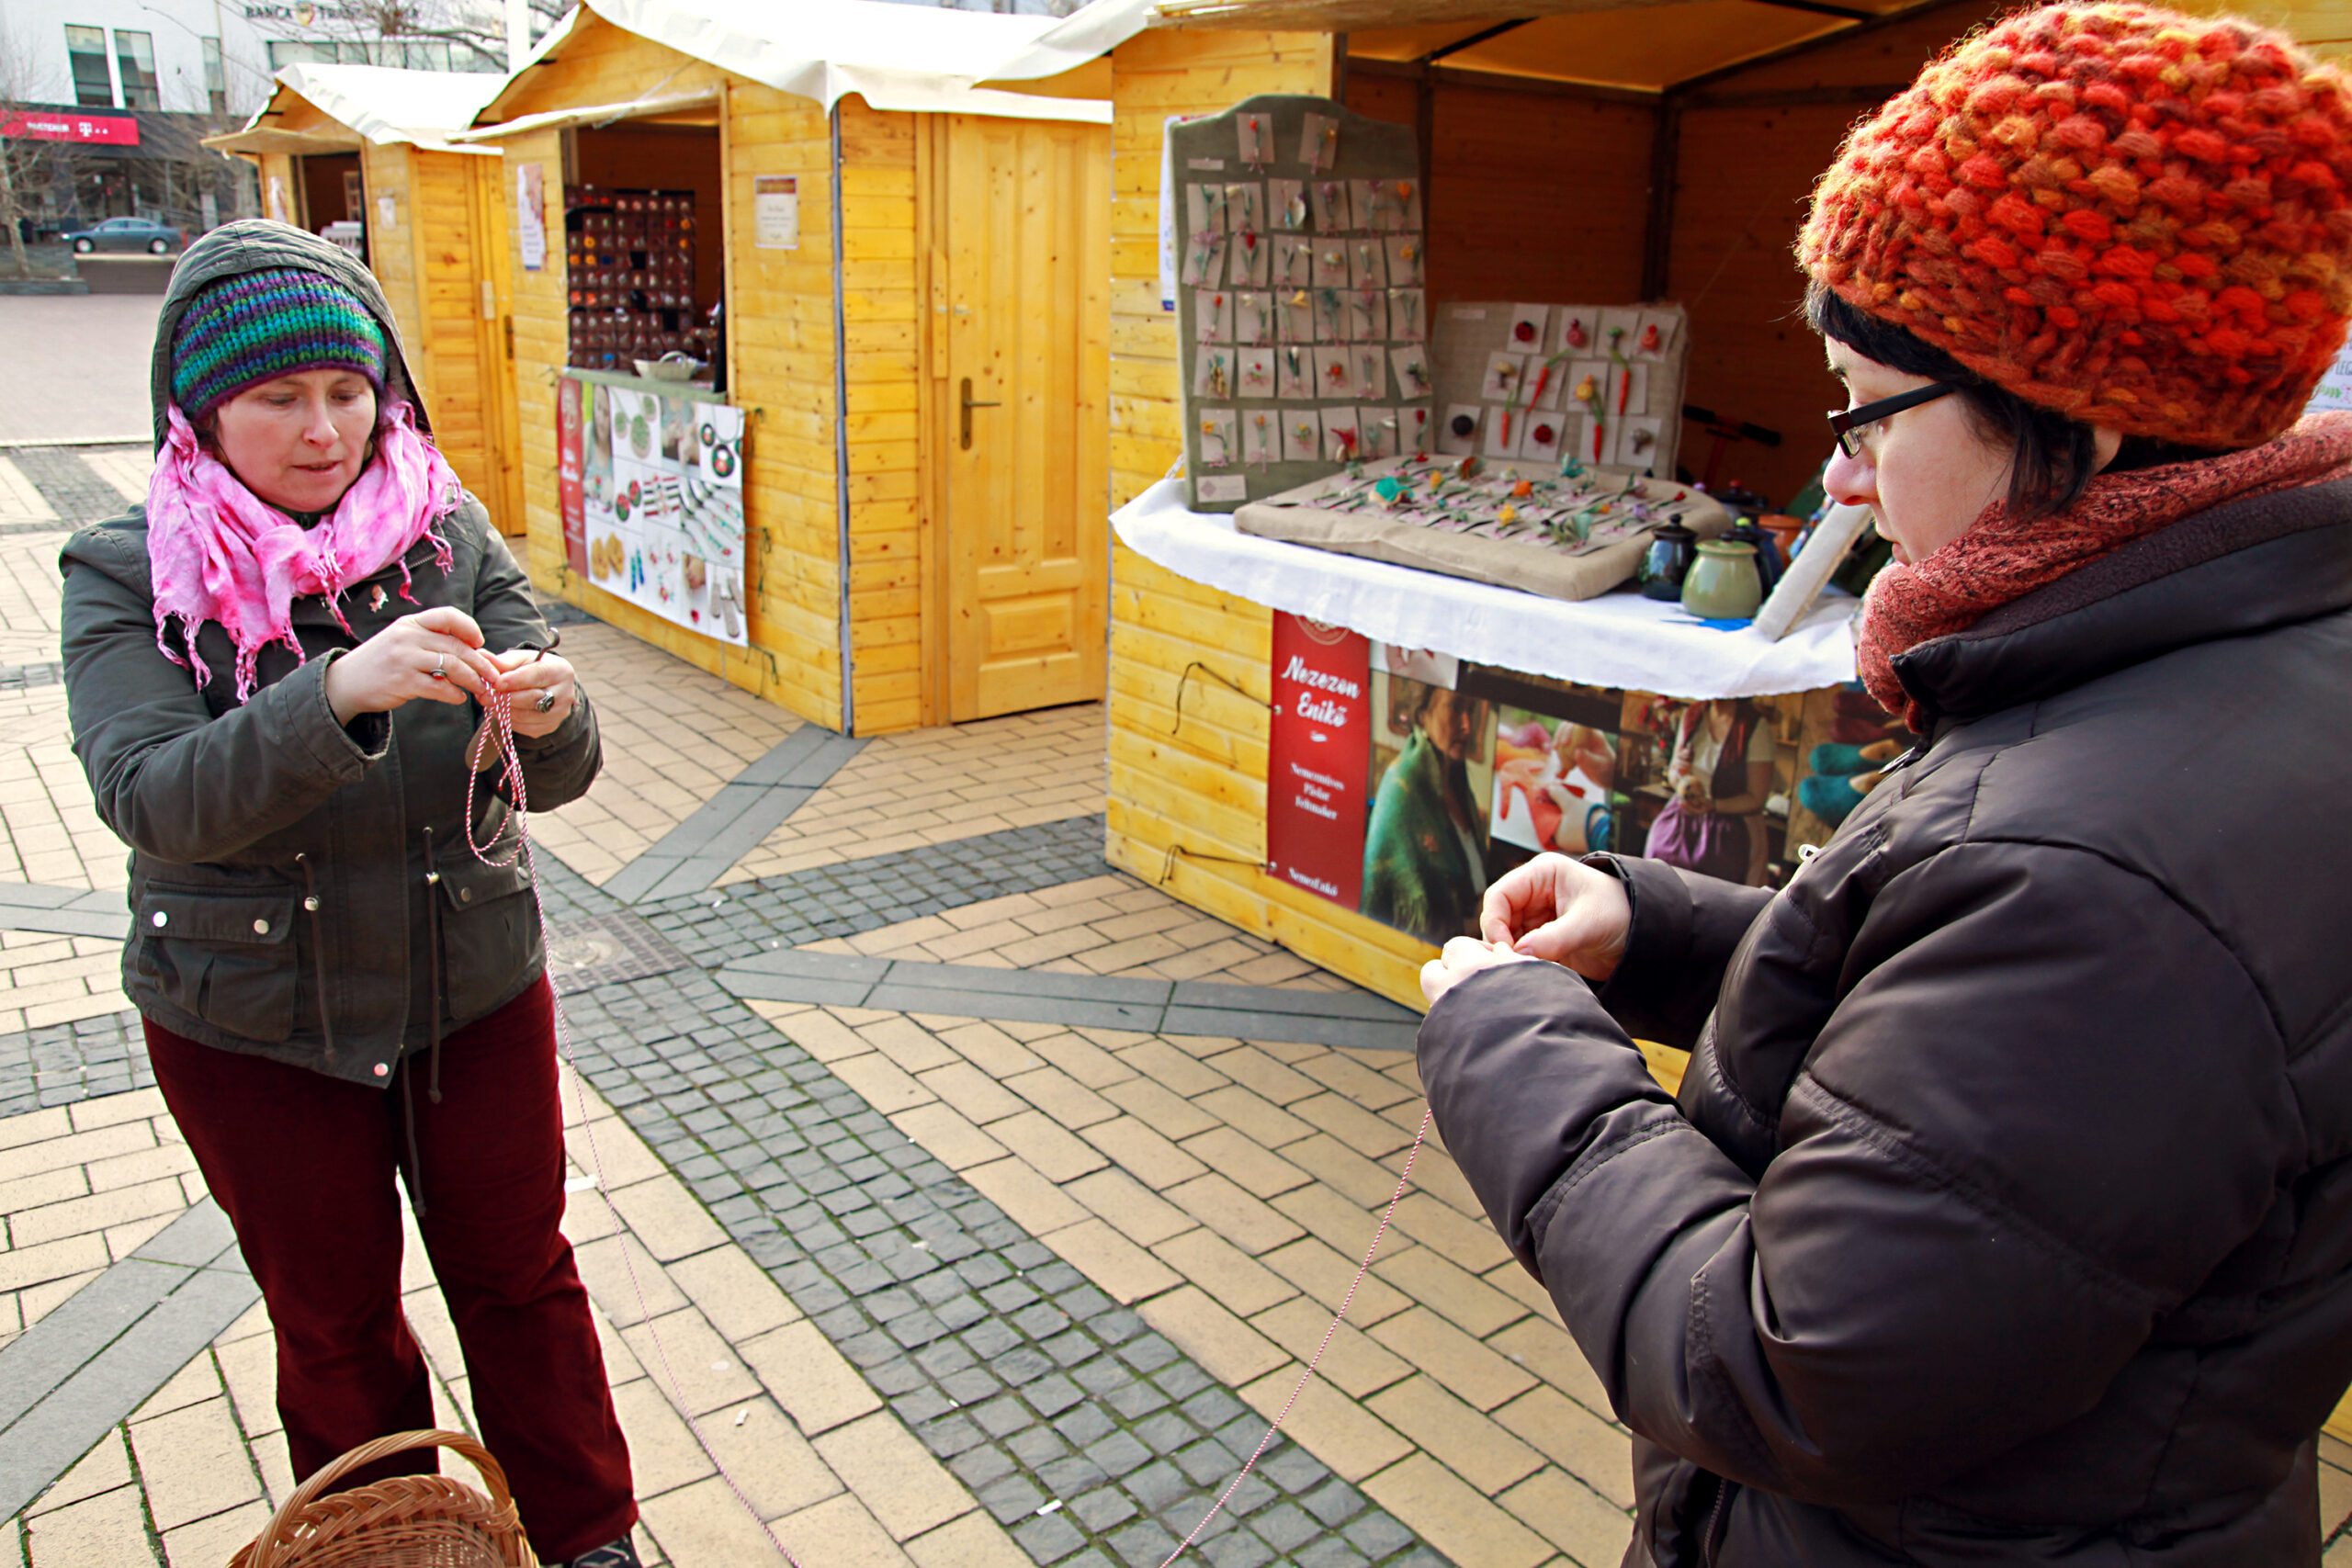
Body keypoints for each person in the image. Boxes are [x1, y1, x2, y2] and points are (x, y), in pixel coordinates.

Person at [1414, 6, 2352, 1563]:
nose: (1837, 470)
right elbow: (1968, 1069)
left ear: (2085, 407)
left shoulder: (2108, 872)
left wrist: (1514, 1049)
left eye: (1864, 406)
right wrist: (1651, 930)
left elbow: (1785, 1362)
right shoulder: (2215, 671)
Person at [60, 221, 641, 1568]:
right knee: (334, 1319)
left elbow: (560, 767)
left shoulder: (446, 525)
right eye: (279, 399)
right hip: (252, 1016)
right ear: (201, 412)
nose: (325, 431)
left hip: (472, 985)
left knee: (522, 1278)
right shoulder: (124, 562)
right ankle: (383, 1540)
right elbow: (151, 791)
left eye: (348, 391)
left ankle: (588, 1535)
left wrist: (552, 713)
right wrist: (330, 691)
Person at [1361, 679, 1488, 944]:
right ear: (1424, 715)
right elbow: (1400, 907)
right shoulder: (1402, 787)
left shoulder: (1455, 780)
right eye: (1454, 708)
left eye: (1470, 710)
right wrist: (1472, 925)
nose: (1466, 725)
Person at [1640, 700, 1772, 885]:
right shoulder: (1692, 716)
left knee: (1711, 888)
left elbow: (1757, 798)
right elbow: (1673, 773)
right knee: (1658, 872)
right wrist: (1681, 778)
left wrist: (1713, 805)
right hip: (1683, 819)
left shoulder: (1754, 726)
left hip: (1729, 828)